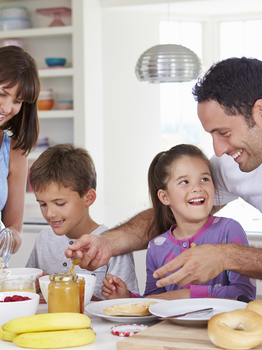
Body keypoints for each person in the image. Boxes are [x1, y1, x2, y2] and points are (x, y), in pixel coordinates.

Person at [65, 57, 262, 288]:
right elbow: (175, 210)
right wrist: (107, 243)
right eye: (212, 135)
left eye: (225, 133)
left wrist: (226, 256)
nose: (218, 150)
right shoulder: (234, 163)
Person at [101, 144, 256, 301]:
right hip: (171, 327)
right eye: (184, 182)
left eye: (204, 179)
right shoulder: (157, 246)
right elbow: (153, 301)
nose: (197, 187)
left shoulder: (229, 230)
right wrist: (127, 297)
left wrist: (187, 295)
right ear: (164, 197)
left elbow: (244, 293)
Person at [26, 144, 139, 300]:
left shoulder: (113, 244)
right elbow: (28, 293)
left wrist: (62, 290)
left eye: (60, 203)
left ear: (88, 198)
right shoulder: (43, 240)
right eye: (42, 204)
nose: (50, 213)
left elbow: (127, 306)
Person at [0, 45, 40, 255]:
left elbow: (15, 232)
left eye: (17, 101)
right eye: (2, 94)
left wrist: (5, 237)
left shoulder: (15, 153)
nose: (7, 108)